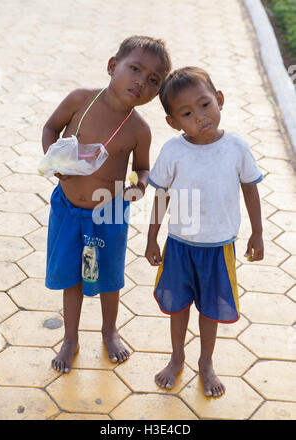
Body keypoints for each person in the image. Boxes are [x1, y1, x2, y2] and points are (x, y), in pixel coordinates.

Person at [42, 35, 171, 373]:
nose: (141, 82)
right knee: (72, 274)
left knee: (108, 275)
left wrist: (140, 186)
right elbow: (50, 128)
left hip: (109, 212)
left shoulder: (139, 130)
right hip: (68, 209)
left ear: (156, 93)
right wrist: (53, 161)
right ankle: (70, 338)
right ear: (113, 66)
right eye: (135, 69)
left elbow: (142, 168)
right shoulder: (80, 101)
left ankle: (109, 330)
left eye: (153, 81)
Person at [145, 66, 264, 397]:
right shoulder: (173, 151)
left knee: (210, 309)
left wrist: (257, 233)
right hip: (180, 245)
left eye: (205, 105)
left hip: (218, 247)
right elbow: (161, 195)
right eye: (186, 112)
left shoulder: (236, 147)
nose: (200, 117)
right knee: (179, 306)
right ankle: (177, 357)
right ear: (173, 122)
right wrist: (152, 237)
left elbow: (250, 190)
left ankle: (206, 362)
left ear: (220, 100)